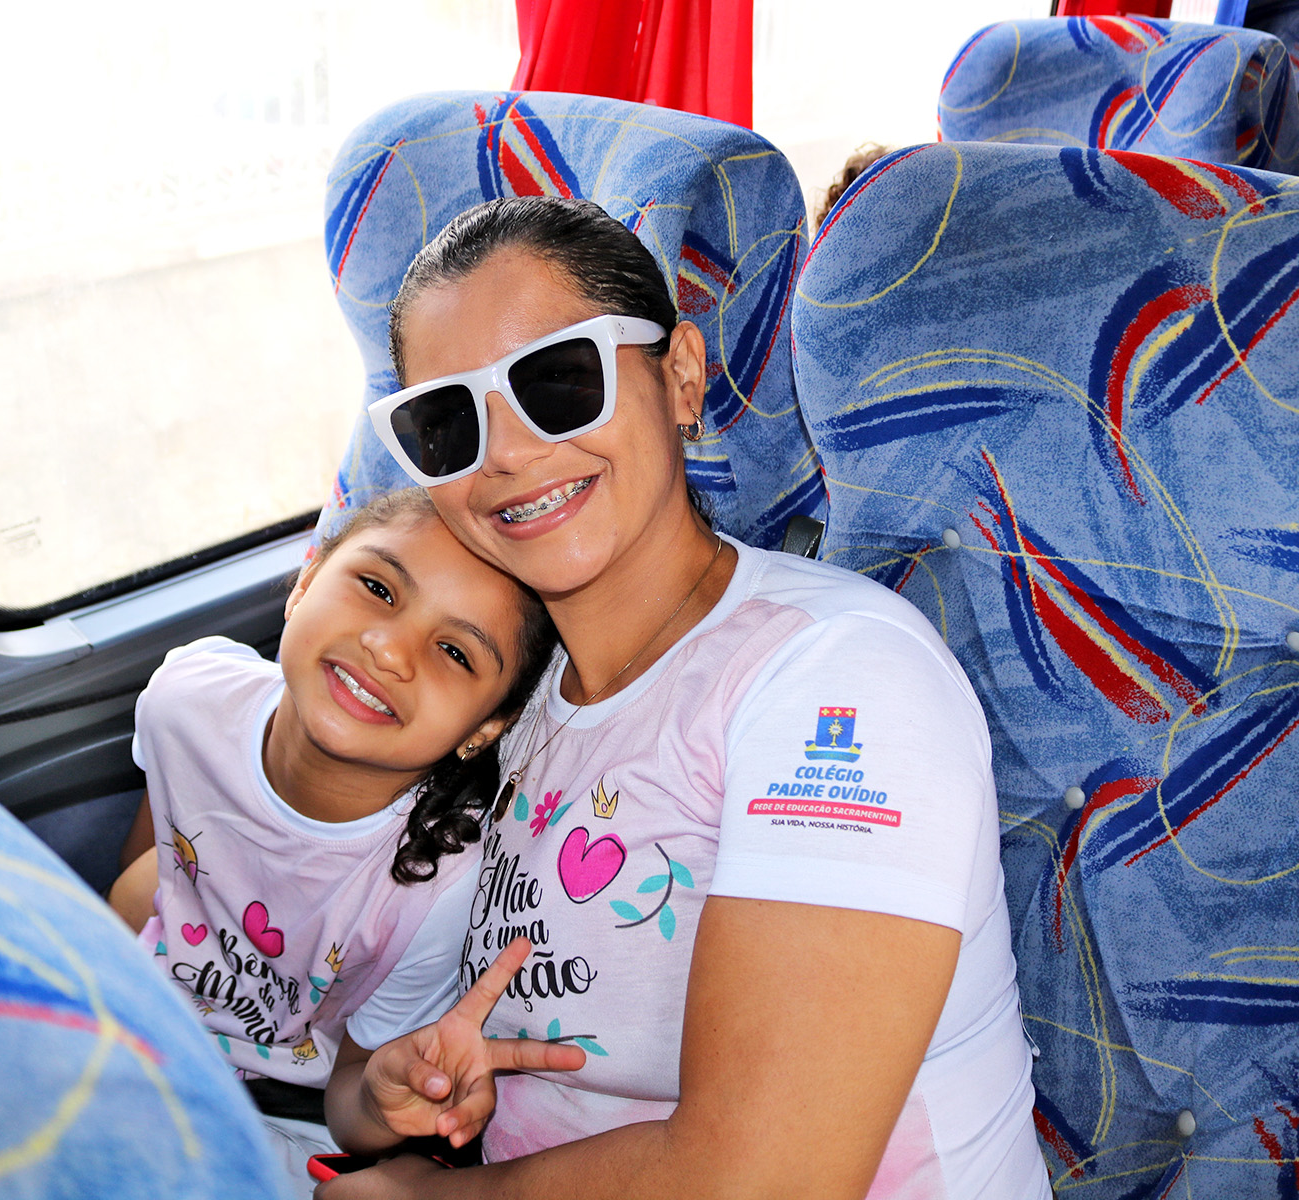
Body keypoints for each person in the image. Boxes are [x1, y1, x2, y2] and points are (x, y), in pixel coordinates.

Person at [319, 197, 1048, 1199]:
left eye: (558, 381)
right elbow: (362, 1068)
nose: (508, 452)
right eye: (448, 422)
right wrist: (389, 1098)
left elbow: (767, 1181)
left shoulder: (837, 681)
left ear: (681, 376)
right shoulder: (507, 711)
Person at [107, 487, 574, 1198]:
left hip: (281, 1106)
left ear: (485, 729)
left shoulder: (438, 883)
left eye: (454, 651)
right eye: (378, 589)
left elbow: (349, 1102)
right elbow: (148, 871)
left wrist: (386, 1102)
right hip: (134, 1018)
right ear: (305, 582)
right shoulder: (188, 698)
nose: (389, 649)